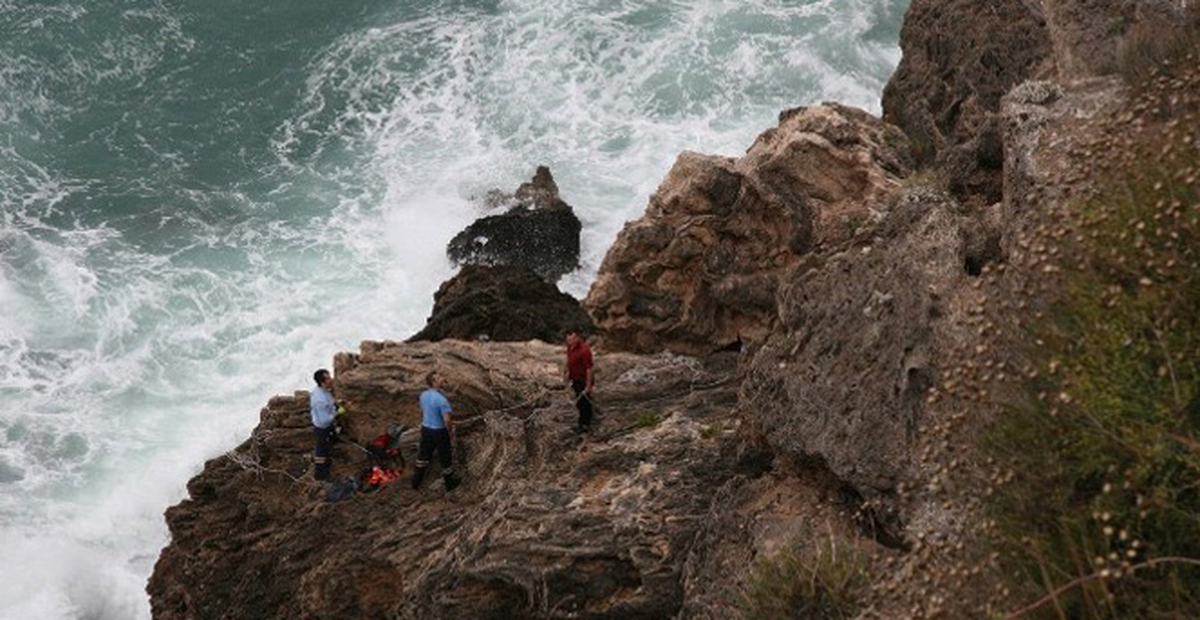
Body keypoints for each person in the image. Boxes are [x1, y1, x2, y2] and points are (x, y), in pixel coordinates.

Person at [412, 371, 460, 492]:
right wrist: (450, 431)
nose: (443, 379)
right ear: (433, 382)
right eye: (439, 378)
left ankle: (416, 482)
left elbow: (423, 411)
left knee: (423, 455)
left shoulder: (423, 395)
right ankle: (450, 484)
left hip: (426, 429)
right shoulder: (441, 400)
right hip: (439, 431)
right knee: (445, 457)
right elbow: (447, 420)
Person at [310, 368, 338, 481]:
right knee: (321, 451)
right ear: (322, 382)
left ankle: (332, 455)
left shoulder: (323, 390)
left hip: (327, 426)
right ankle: (321, 475)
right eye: (328, 378)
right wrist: (337, 414)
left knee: (330, 442)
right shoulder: (320, 400)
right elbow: (324, 420)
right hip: (322, 428)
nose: (331, 380)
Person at [564, 329, 594, 432]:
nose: (570, 342)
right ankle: (582, 422)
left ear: (577, 338)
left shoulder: (584, 350)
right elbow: (569, 360)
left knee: (584, 402)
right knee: (579, 401)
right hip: (575, 378)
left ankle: (586, 424)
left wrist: (588, 386)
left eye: (572, 339)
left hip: (583, 379)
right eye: (568, 340)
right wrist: (566, 371)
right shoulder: (570, 347)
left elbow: (589, 369)